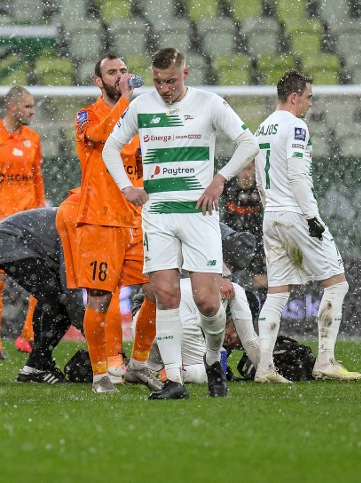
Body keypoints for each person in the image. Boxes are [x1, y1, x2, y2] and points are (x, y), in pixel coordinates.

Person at [103, 48, 260, 399]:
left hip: (198, 215)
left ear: (185, 73)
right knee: (165, 295)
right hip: (157, 214)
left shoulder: (209, 103)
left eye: (171, 81)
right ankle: (174, 380)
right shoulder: (142, 106)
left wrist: (220, 179)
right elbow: (109, 148)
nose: (164, 88)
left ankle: (210, 358)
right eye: (158, 82)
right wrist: (126, 186)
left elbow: (248, 143)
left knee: (207, 302)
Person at [57, 53, 160, 394]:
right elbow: (102, 135)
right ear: (98, 82)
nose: (120, 76)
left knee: (158, 289)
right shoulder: (87, 115)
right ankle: (100, 374)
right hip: (100, 220)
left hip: (136, 220)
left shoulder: (143, 118)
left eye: (124, 71)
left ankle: (139, 364)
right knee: (100, 298)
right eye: (112, 73)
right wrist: (128, 101)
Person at [253, 70, 361, 383]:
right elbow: (299, 176)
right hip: (296, 214)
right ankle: (325, 360)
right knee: (337, 283)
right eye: (309, 97)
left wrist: (270, 208)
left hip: (271, 215)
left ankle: (264, 368)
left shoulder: (262, 128)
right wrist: (312, 217)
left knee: (277, 293)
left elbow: (261, 178)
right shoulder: (296, 126)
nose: (311, 104)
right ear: (294, 97)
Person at [0, 86, 44, 360]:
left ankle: (27, 335)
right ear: (13, 107)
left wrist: (39, 209)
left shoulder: (33, 139)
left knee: (39, 278)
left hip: (27, 219)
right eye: (28, 106)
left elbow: (37, 177)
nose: (32, 111)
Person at [146, 224, 261, 384]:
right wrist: (265, 369)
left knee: (150, 366)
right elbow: (250, 339)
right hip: (164, 311)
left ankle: (147, 368)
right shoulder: (199, 236)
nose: (231, 271)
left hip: (161, 318)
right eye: (229, 266)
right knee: (210, 370)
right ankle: (175, 373)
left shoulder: (233, 256)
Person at [0, 204, 84, 383]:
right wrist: (94, 335)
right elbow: (71, 292)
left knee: (53, 300)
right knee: (56, 300)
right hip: (11, 240)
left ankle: (36, 366)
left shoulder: (80, 225)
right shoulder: (77, 229)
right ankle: (38, 365)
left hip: (14, 240)